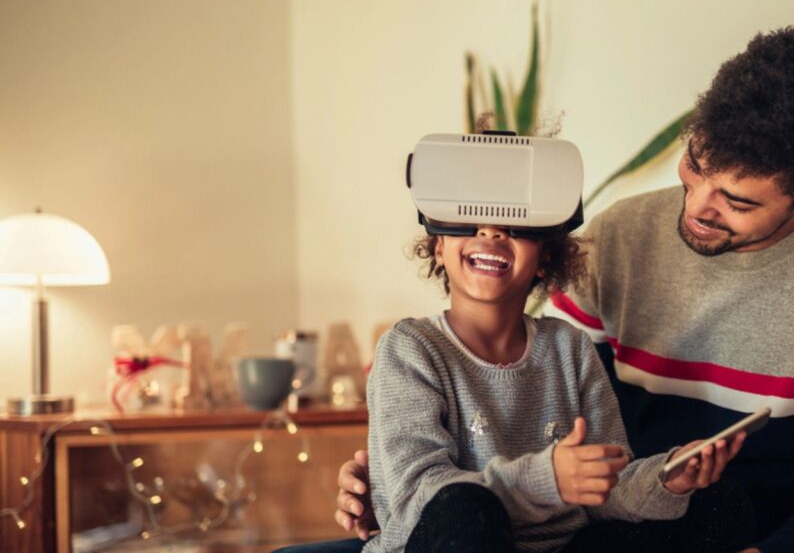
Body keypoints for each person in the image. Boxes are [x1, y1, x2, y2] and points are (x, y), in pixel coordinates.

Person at [337, 25, 794, 552]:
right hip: (569, 512)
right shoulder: (619, 237)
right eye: (695, 167)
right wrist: (396, 488)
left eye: (735, 201)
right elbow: (535, 431)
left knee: (718, 506)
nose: (699, 208)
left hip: (731, 524)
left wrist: (676, 489)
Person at [280, 152, 753, 553]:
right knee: (466, 507)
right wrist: (546, 477)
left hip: (558, 548)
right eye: (469, 219)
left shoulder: (568, 348)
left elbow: (606, 487)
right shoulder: (410, 350)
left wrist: (666, 480)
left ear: (546, 255)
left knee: (716, 503)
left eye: (516, 224)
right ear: (438, 244)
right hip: (453, 539)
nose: (491, 232)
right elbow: (414, 506)